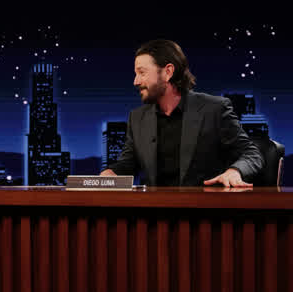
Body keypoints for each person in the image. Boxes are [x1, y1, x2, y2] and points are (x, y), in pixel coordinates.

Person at [100, 39, 264, 187]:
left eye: (142, 73)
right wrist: (110, 173)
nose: (135, 81)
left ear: (168, 72)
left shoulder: (214, 109)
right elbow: (127, 163)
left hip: (204, 207)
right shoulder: (137, 118)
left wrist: (234, 171)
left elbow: (252, 154)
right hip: (154, 207)